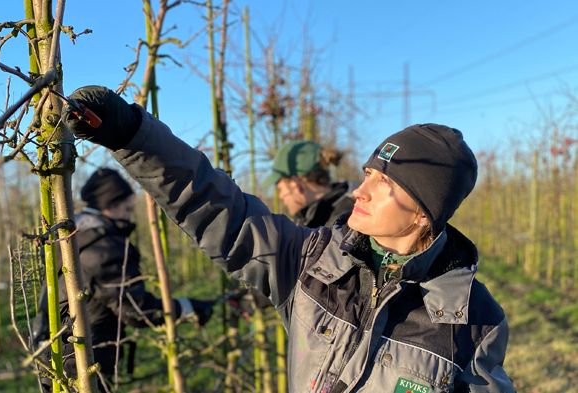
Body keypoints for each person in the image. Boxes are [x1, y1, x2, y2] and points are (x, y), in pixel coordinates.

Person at [62, 86, 515, 393]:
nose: (360, 190)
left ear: (423, 212)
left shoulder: (474, 321)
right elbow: (216, 204)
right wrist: (132, 134)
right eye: (368, 174)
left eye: (385, 184)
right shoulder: (311, 260)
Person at [32, 168, 214, 388]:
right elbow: (136, 311)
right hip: (82, 364)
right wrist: (188, 308)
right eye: (127, 208)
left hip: (56, 358)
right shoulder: (103, 247)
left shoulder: (71, 238)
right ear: (111, 206)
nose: (130, 216)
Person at [268, 140, 355, 228]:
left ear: (295, 184)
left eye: (280, 189)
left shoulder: (344, 222)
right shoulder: (309, 218)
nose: (281, 196)